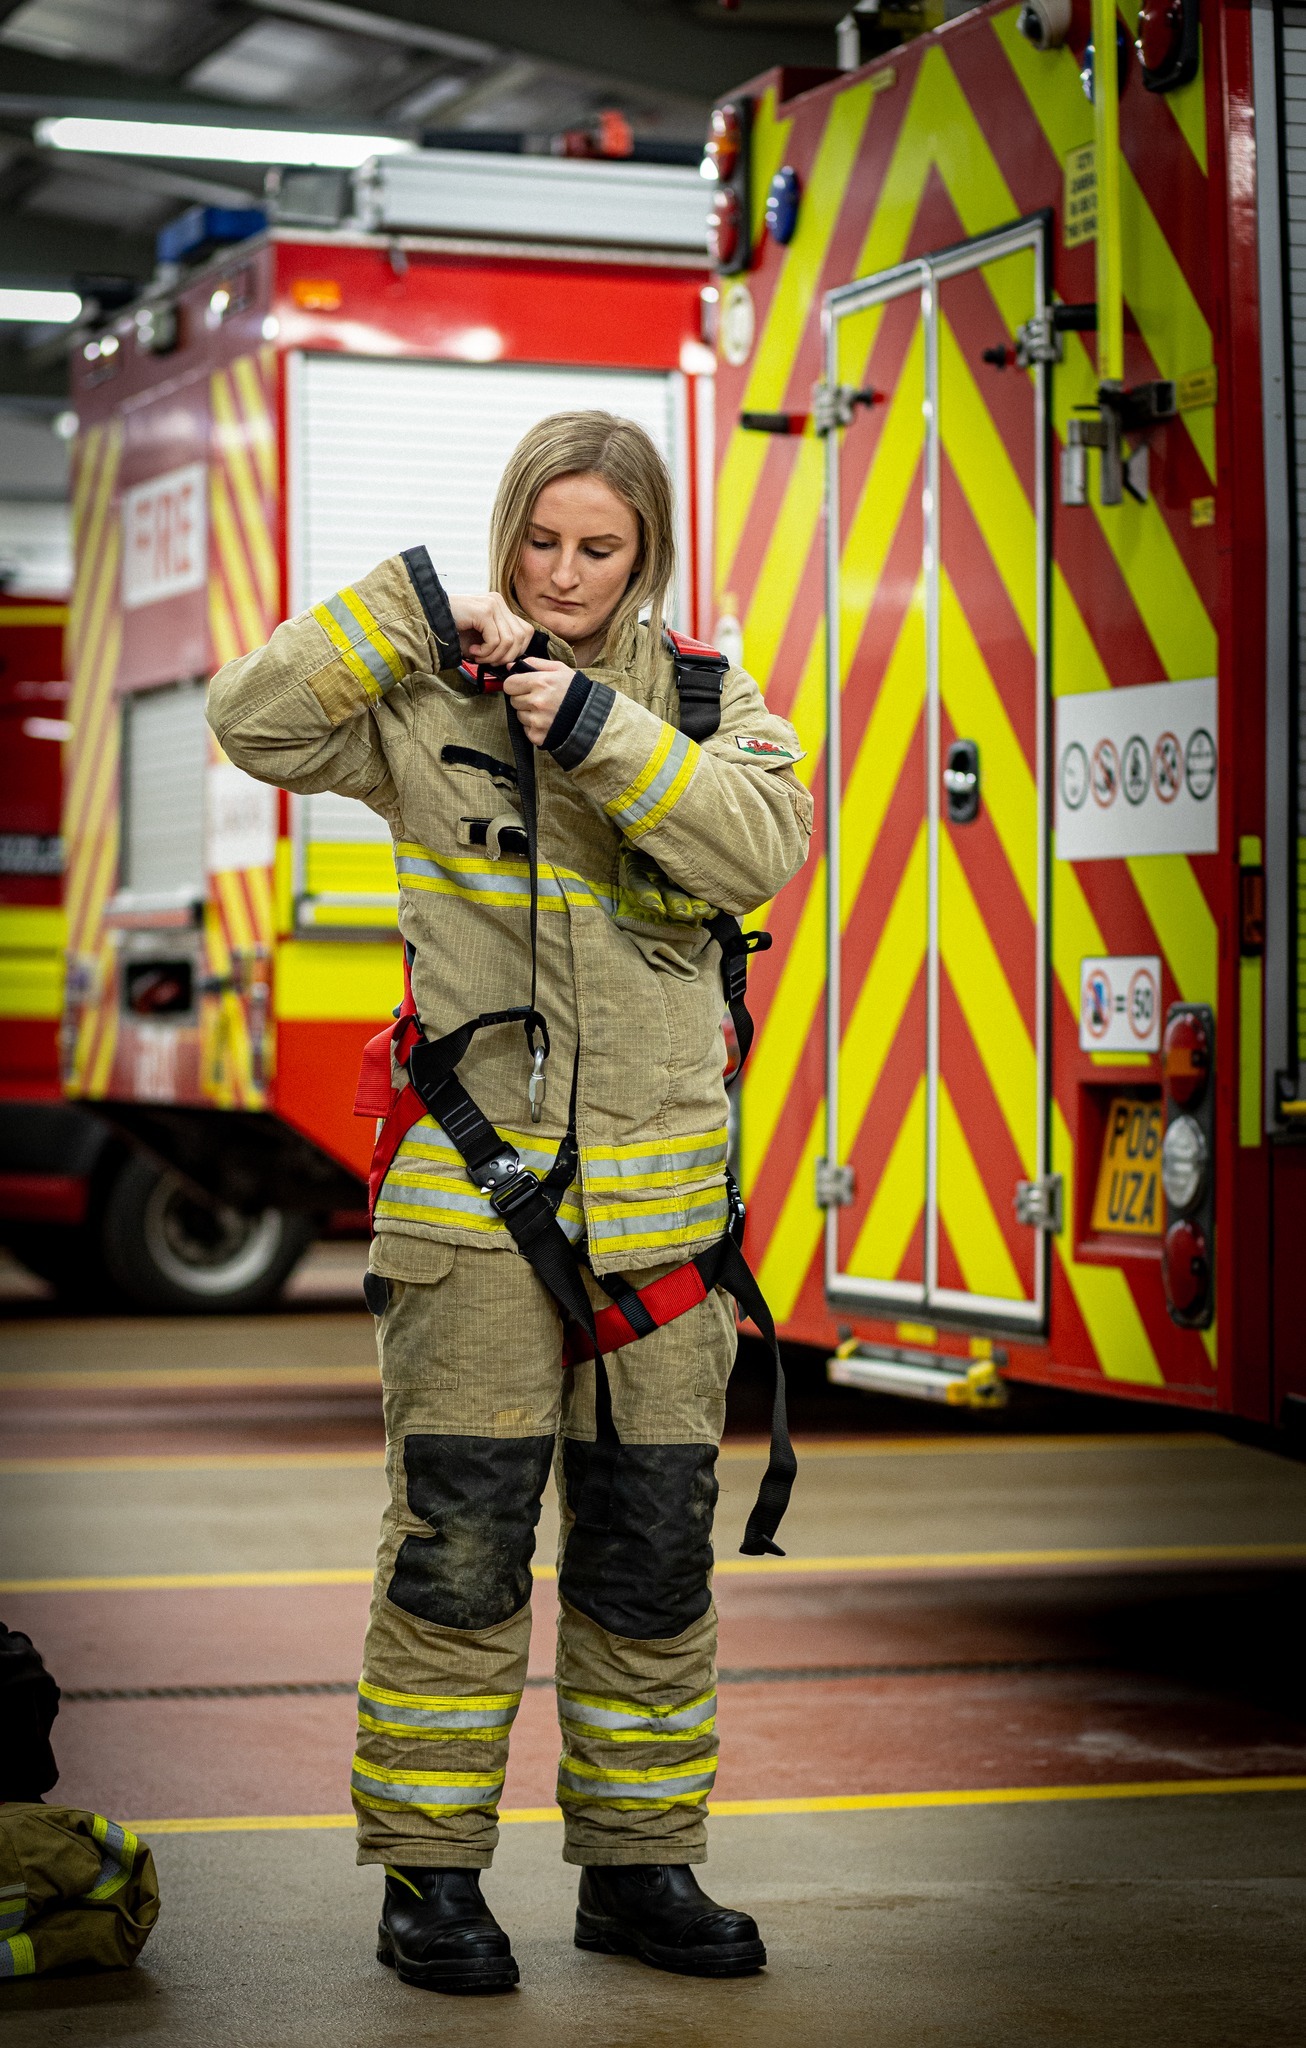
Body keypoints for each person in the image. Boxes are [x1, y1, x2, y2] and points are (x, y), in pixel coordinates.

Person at [208, 410, 812, 1993]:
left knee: (647, 1566)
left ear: (647, 554)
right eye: (537, 543)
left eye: (596, 548)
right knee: (455, 1560)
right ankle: (429, 1882)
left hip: (667, 1254)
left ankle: (638, 1868)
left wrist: (599, 727)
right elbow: (250, 723)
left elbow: (757, 854)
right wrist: (414, 602)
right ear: (502, 539)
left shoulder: (699, 706)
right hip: (475, 1227)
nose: (561, 574)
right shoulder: (419, 698)